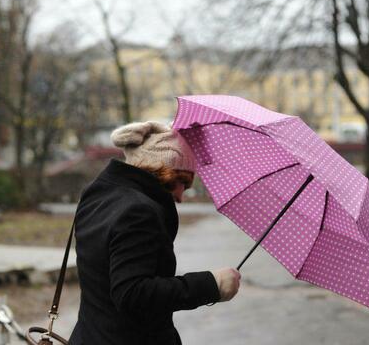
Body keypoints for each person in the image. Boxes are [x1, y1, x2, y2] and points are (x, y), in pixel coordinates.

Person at [69, 121, 241, 345]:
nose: (181, 196)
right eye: (183, 183)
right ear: (167, 173)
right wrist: (212, 284)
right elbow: (132, 293)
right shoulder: (138, 211)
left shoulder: (97, 197)